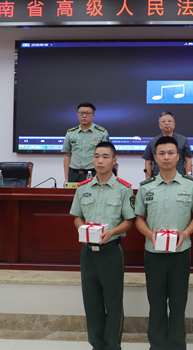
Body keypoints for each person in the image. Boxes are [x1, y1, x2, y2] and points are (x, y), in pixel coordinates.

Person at [134, 136, 193, 350]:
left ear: (178, 156)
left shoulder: (190, 186)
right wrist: (150, 235)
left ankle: (176, 345)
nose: (166, 157)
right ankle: (156, 345)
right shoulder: (145, 187)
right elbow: (138, 218)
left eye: (170, 153)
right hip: (153, 253)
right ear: (154, 158)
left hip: (180, 252)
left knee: (178, 303)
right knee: (156, 304)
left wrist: (185, 233)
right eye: (161, 153)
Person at [69, 141, 135, 350]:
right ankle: (96, 344)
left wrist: (112, 232)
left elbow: (129, 220)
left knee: (113, 302)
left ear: (114, 161)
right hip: (88, 252)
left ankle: (112, 345)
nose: (100, 160)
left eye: (105, 156)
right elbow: (76, 217)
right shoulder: (83, 188)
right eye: (97, 156)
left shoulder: (124, 189)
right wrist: (84, 229)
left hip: (112, 251)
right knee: (92, 301)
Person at [63, 102, 109, 185]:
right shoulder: (70, 133)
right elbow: (67, 156)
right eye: (81, 113)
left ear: (93, 115)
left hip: (94, 173)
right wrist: (66, 178)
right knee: (73, 197)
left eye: (87, 113)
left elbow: (105, 157)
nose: (84, 116)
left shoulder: (101, 133)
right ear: (77, 114)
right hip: (74, 174)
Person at [142, 111, 193, 179]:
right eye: (163, 121)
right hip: (158, 179)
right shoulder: (152, 142)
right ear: (159, 125)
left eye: (169, 121)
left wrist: (188, 180)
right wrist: (148, 182)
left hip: (180, 179)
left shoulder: (183, 140)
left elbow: (188, 161)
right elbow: (148, 162)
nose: (166, 123)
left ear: (174, 124)